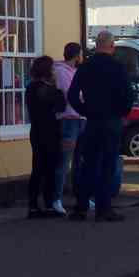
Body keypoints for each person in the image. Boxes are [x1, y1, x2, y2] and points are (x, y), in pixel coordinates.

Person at [68, 31, 133, 222]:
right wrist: (122, 114)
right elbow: (128, 96)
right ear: (111, 46)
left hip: (93, 121)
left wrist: (85, 110)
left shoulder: (86, 66)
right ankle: (104, 209)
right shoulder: (118, 67)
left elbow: (72, 95)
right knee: (108, 165)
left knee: (88, 165)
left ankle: (81, 208)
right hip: (112, 120)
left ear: (96, 45)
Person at [25, 55, 67, 218]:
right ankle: (46, 204)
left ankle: (35, 205)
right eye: (53, 69)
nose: (55, 71)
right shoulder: (44, 89)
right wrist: (57, 88)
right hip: (47, 132)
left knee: (39, 168)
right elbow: (61, 105)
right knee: (47, 169)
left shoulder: (32, 87)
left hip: (38, 132)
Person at [52, 42, 85, 214]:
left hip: (80, 118)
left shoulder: (75, 71)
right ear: (76, 55)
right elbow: (70, 92)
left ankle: (81, 198)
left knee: (79, 161)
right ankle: (56, 199)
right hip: (68, 120)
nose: (82, 56)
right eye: (80, 53)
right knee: (64, 162)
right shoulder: (61, 71)